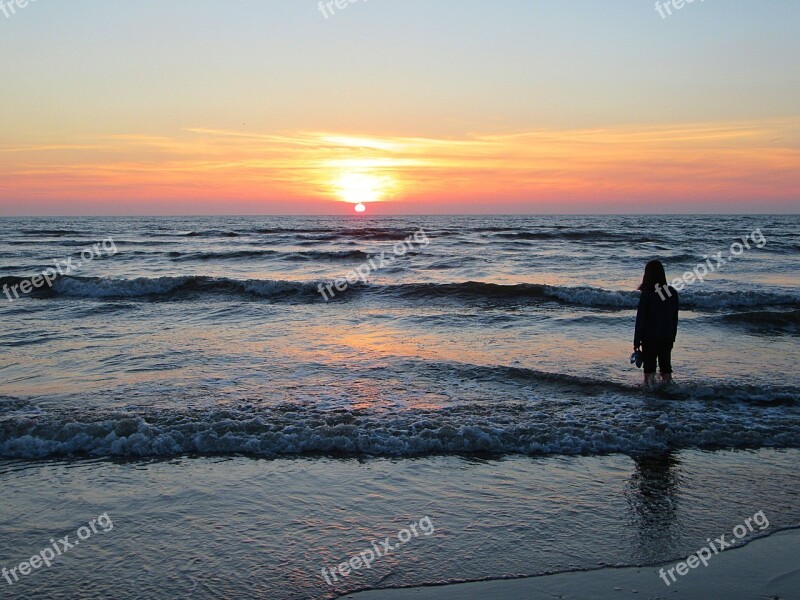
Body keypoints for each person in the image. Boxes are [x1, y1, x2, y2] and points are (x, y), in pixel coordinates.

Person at [634, 260, 679, 387]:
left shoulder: (647, 294)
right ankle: (667, 390)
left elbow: (641, 318)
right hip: (667, 335)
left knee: (649, 368)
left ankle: (650, 393)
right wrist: (673, 335)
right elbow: (674, 316)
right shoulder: (671, 292)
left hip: (650, 337)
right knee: (666, 366)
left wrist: (636, 341)